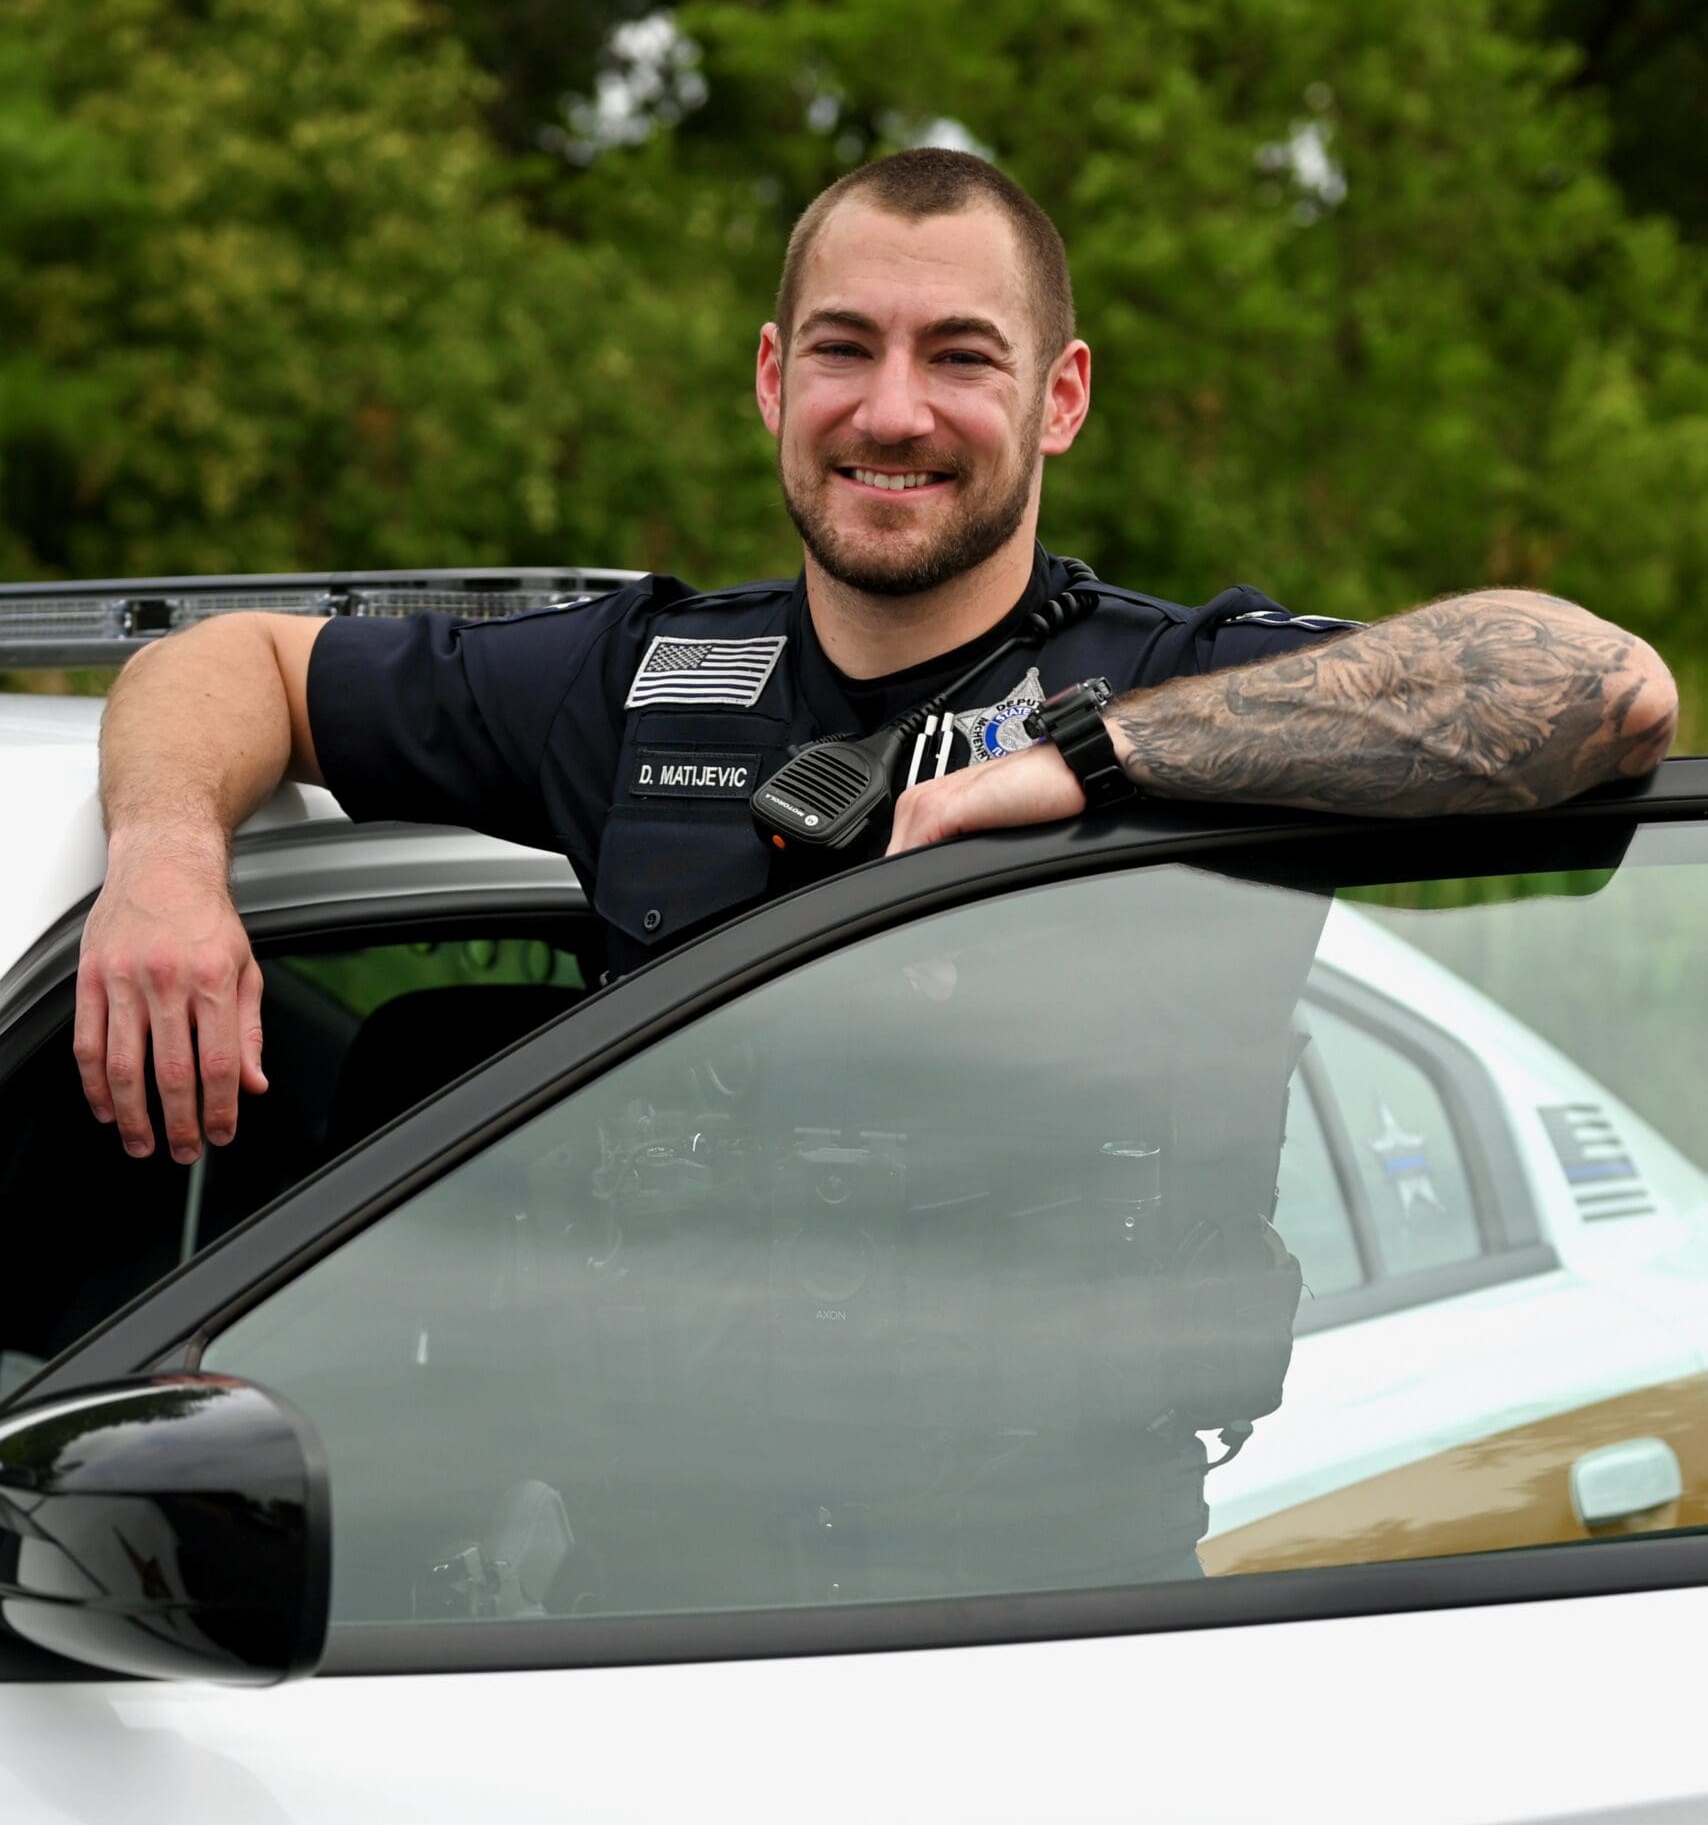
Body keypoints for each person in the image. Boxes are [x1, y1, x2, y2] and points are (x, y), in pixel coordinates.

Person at [77, 148, 1678, 1167]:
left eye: (960, 357)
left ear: (1059, 399)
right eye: (845, 348)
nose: (892, 411)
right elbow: (229, 669)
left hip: (1048, 1591)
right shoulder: (630, 682)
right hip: (633, 1566)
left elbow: (1603, 690)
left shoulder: (1194, 685)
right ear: (776, 379)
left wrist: (1090, 769)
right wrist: (162, 862)